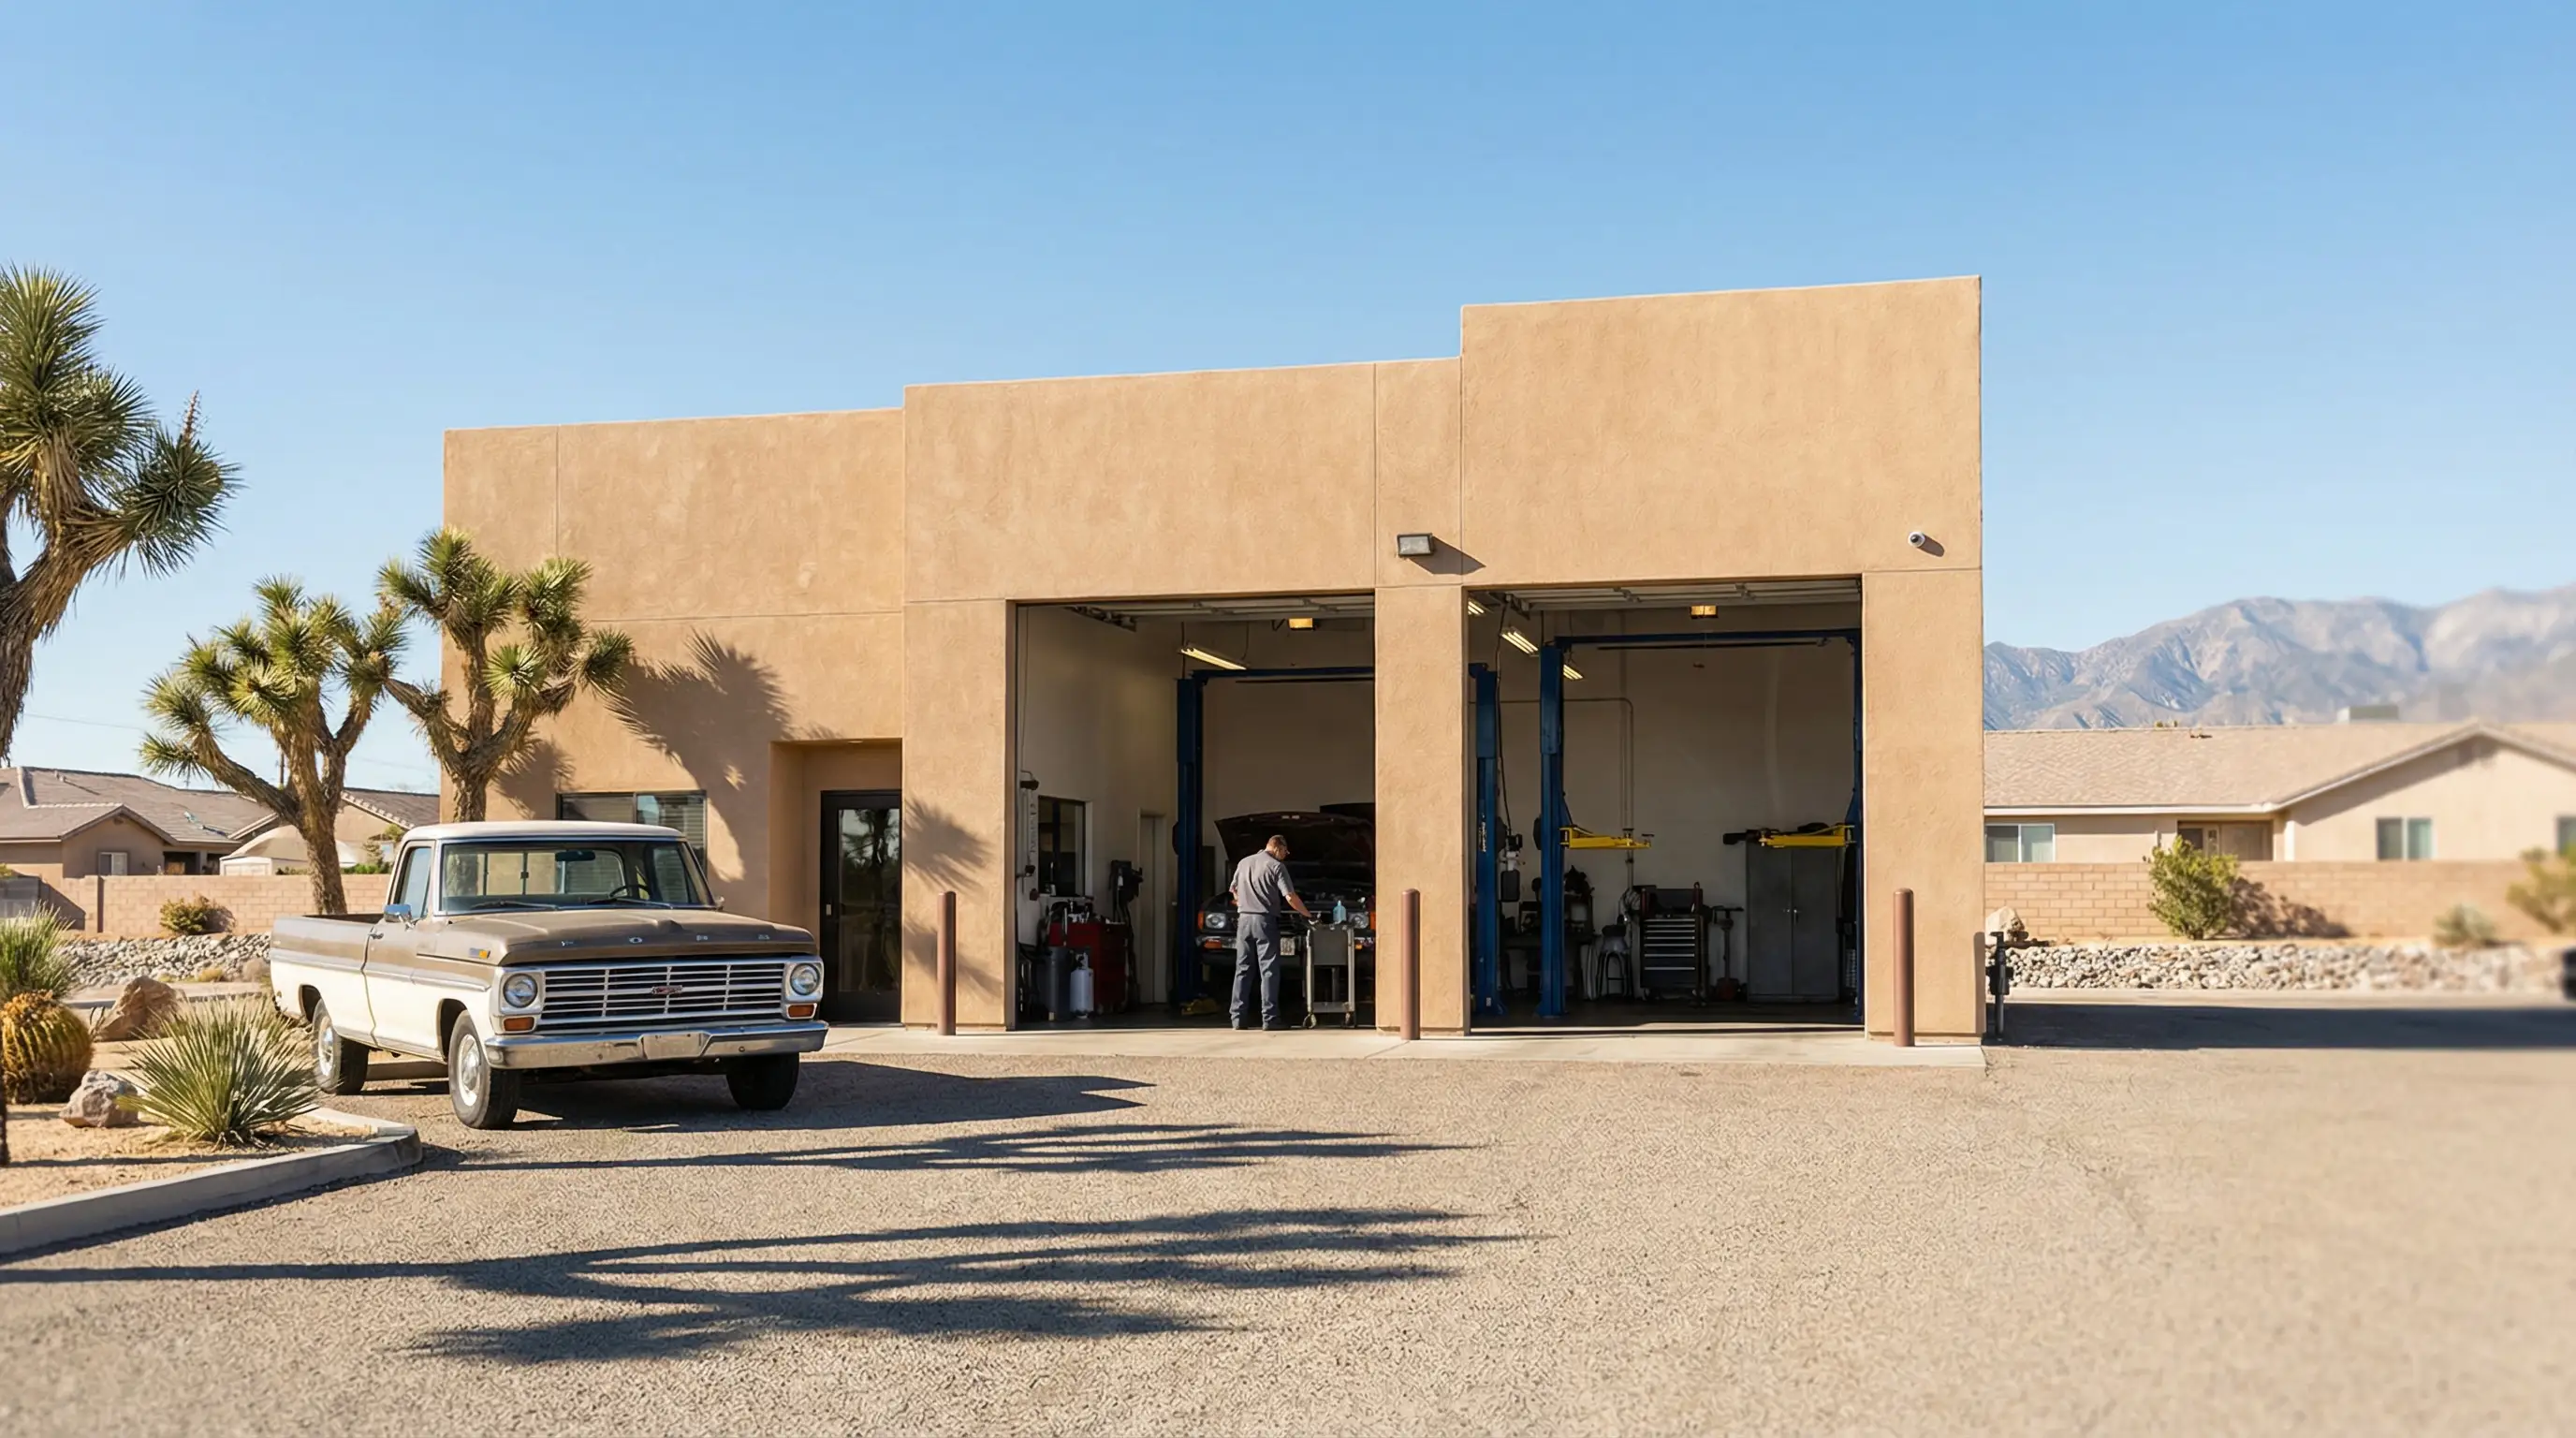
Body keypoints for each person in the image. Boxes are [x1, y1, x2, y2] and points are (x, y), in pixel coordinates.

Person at [1229, 833, 1312, 1031]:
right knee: (1268, 970)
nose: (1285, 855)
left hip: (1244, 921)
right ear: (1278, 847)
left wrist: (1243, 902)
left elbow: (1233, 889)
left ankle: (1238, 1018)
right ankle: (1270, 1018)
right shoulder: (1276, 866)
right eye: (1285, 851)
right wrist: (1307, 914)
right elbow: (1290, 897)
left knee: (1243, 969)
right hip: (1265, 921)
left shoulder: (1244, 862)